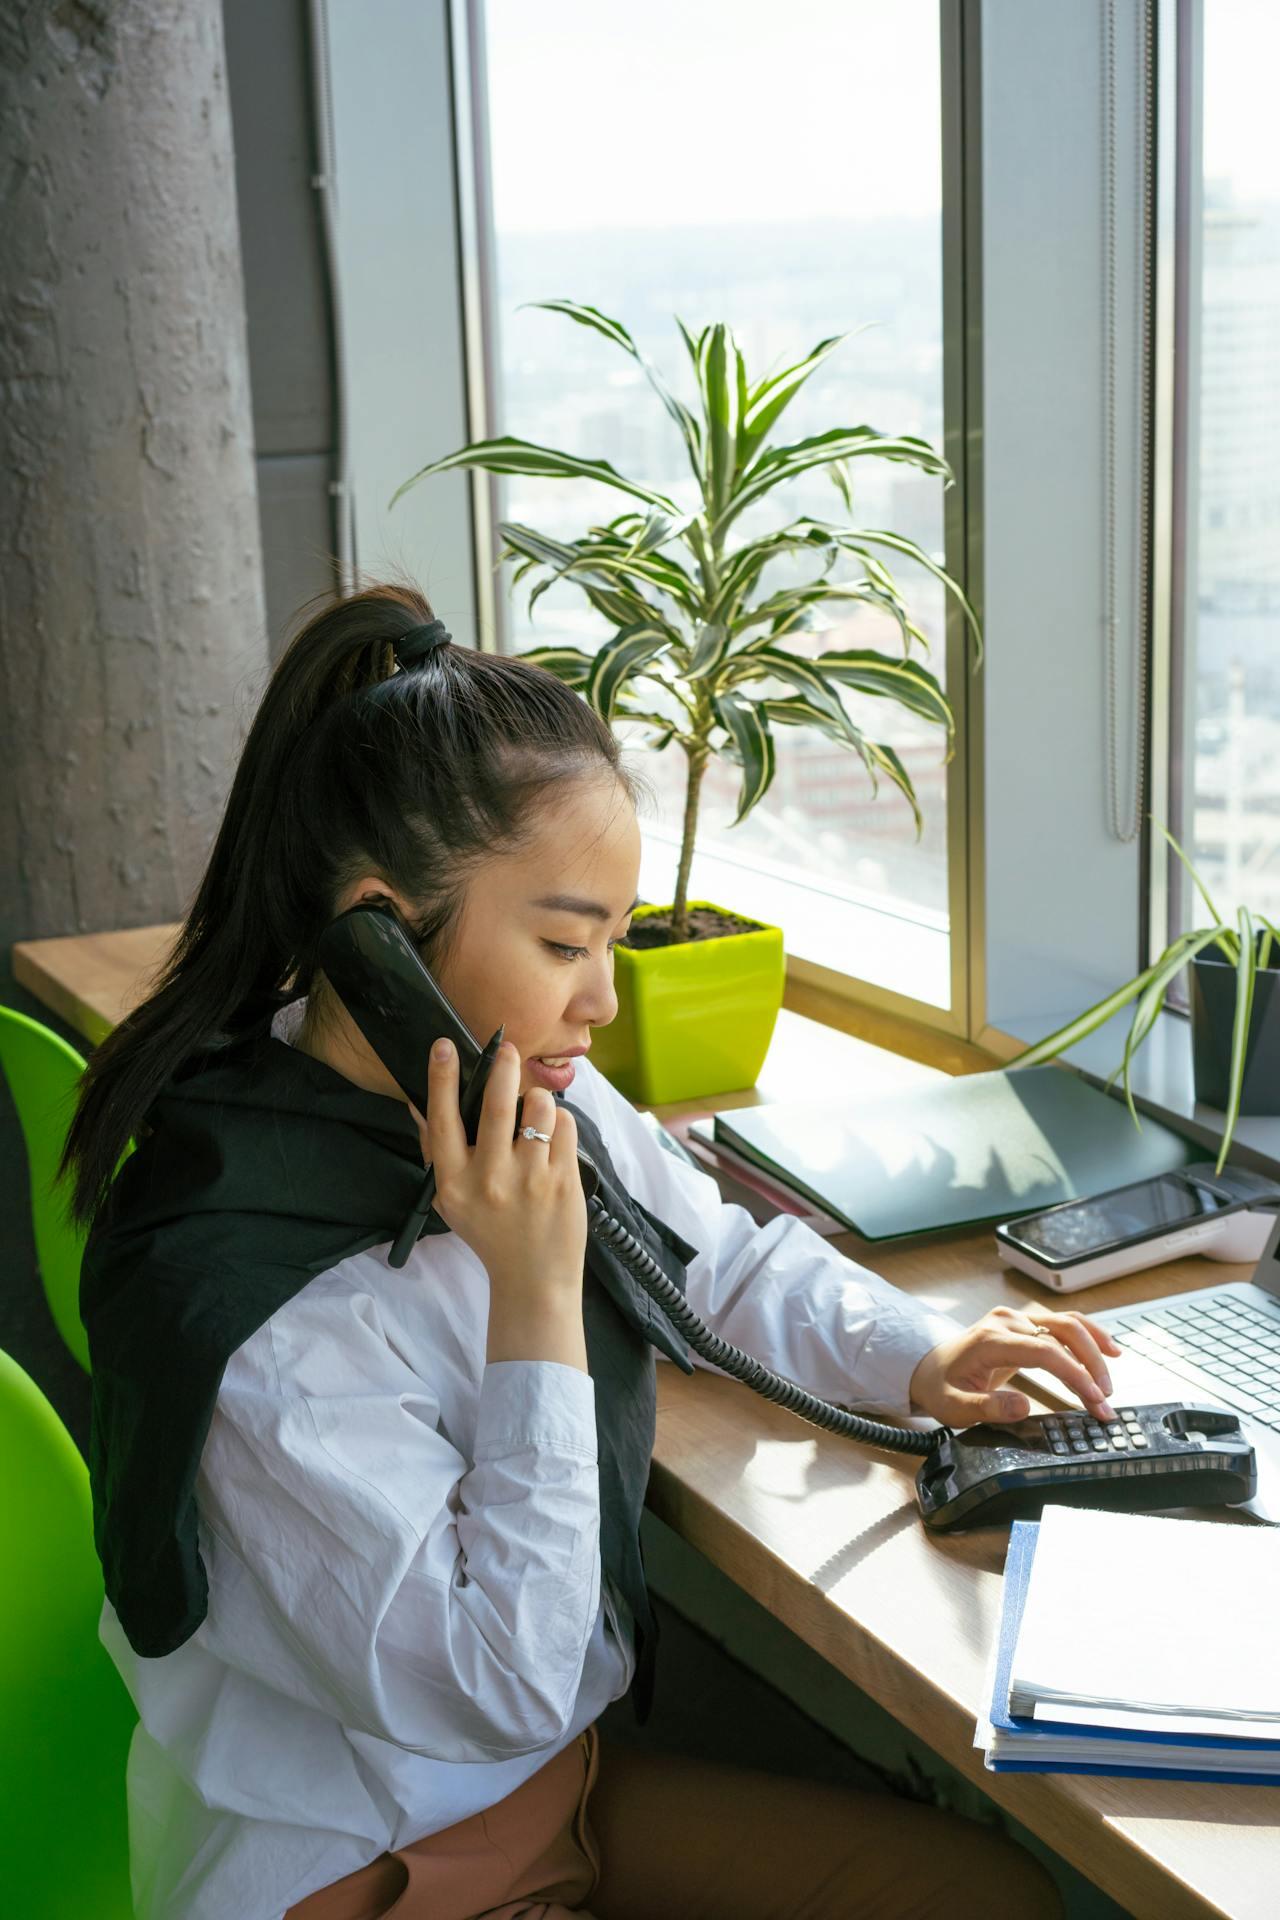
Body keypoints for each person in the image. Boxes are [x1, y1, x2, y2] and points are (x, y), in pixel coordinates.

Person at [61, 583, 1110, 1920]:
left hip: (549, 1790)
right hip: (363, 1862)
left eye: (610, 939)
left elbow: (711, 1254)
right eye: (565, 941)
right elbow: (500, 1686)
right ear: (383, 936)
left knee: (985, 1895)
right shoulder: (258, 1310)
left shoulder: (504, 1084)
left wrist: (923, 1355)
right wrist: (537, 1297)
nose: (602, 1001)